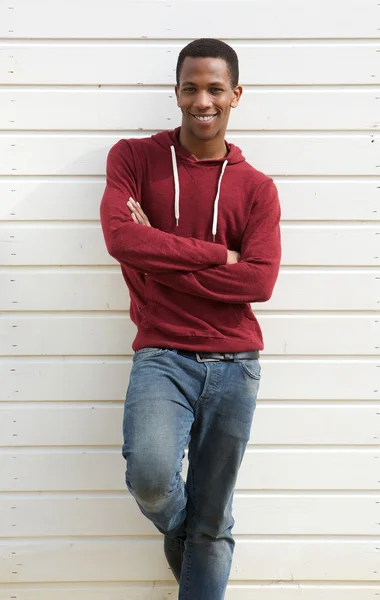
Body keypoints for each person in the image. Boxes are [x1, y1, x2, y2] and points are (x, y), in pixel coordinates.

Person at [100, 38, 281, 600]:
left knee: (214, 513)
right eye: (190, 87)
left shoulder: (257, 189)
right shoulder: (133, 158)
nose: (202, 100)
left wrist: (158, 256)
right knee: (152, 479)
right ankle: (194, 533)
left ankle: (204, 539)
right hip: (162, 354)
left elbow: (258, 281)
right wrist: (214, 254)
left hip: (236, 364)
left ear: (236, 96)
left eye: (215, 89)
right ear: (176, 92)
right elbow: (119, 238)